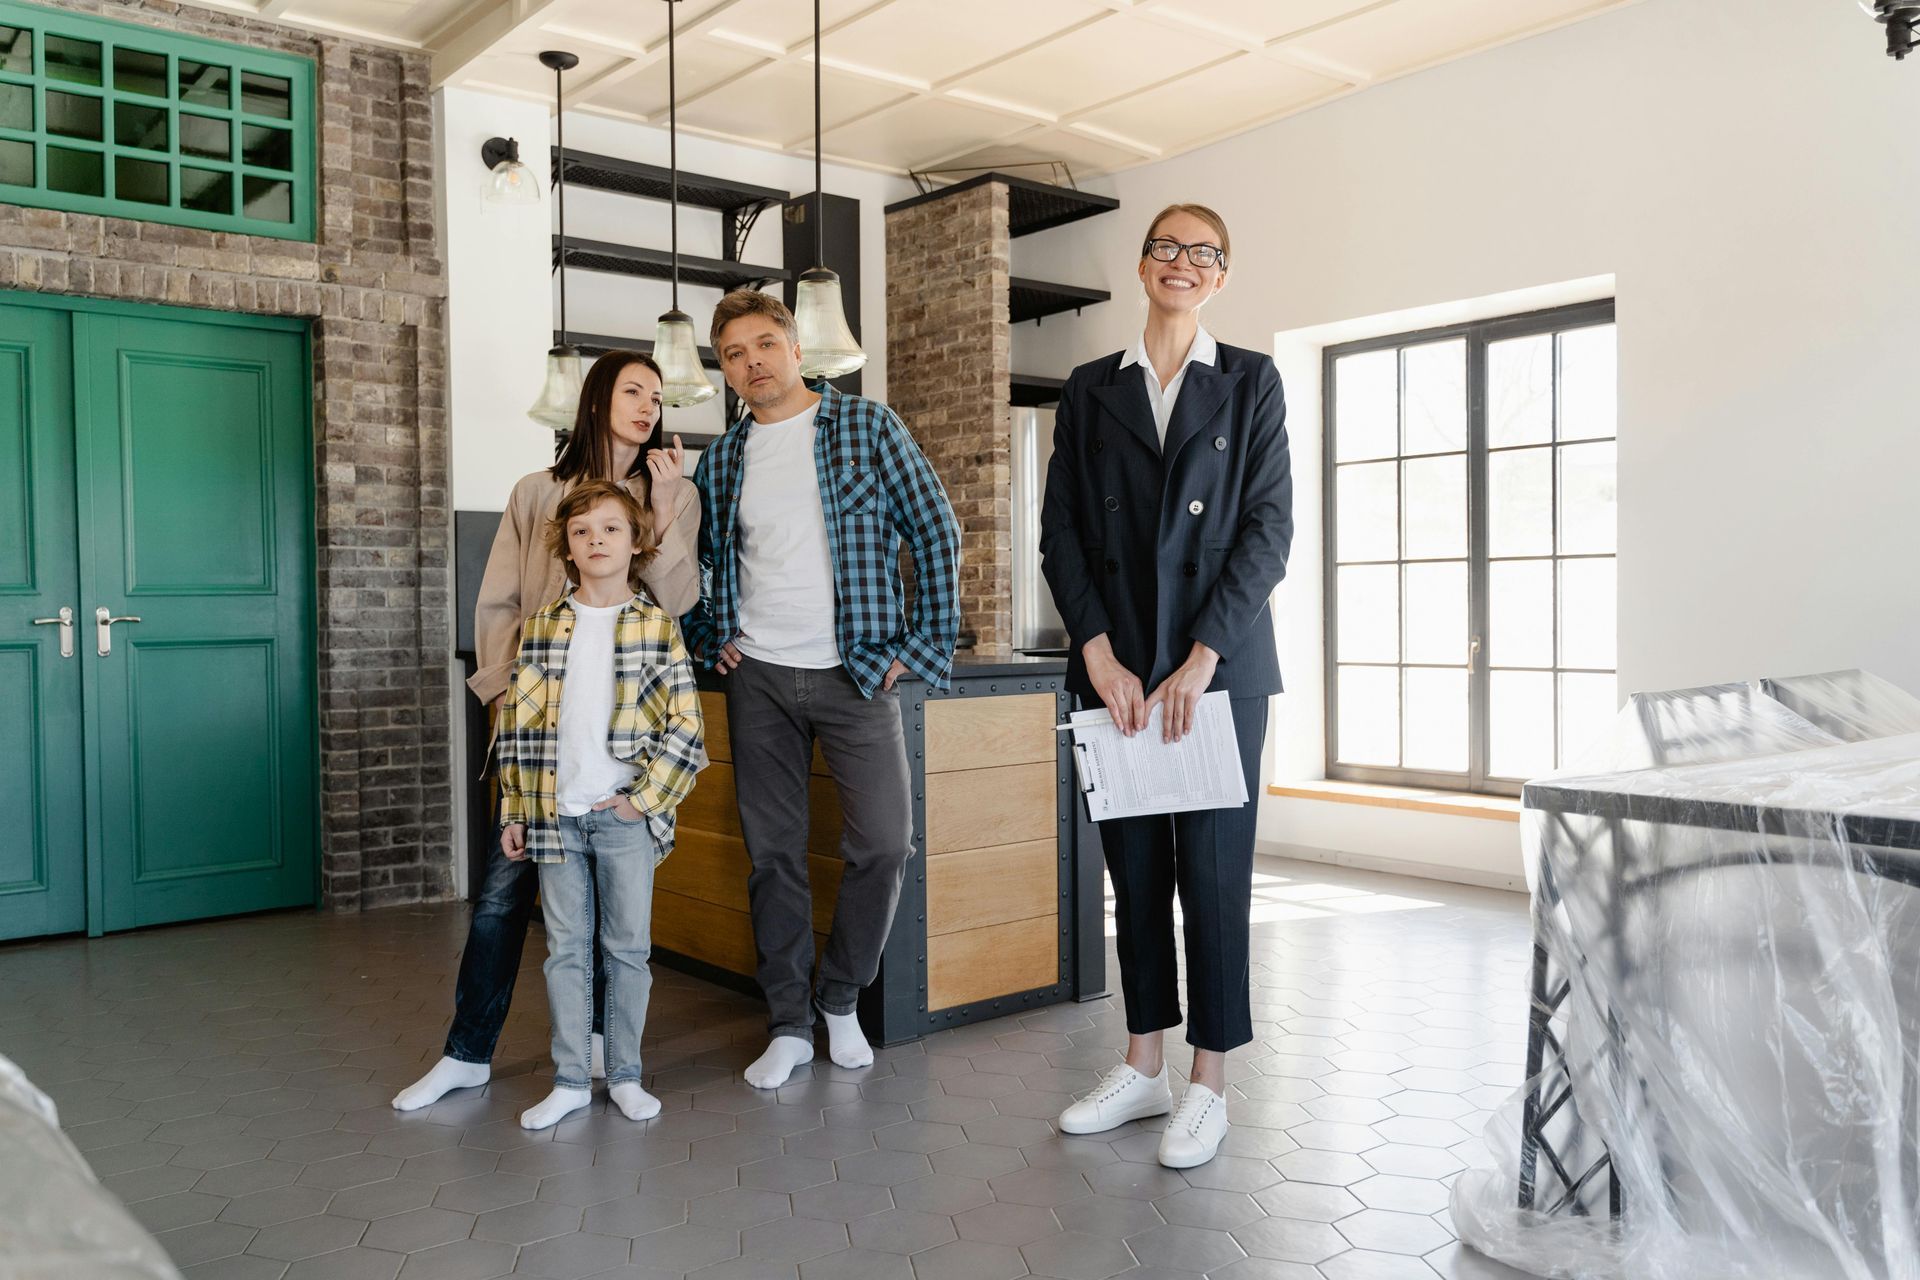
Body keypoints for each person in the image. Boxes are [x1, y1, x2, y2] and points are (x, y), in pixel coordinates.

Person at [1039, 203, 1293, 1168]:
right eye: (1166, 248)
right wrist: (1097, 654)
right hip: (1116, 671)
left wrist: (1204, 656)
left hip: (1217, 670)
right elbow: (1063, 530)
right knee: (1134, 874)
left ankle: (1209, 1084)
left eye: (1203, 253)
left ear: (1221, 275)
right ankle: (1143, 1066)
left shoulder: (1252, 380)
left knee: (1214, 879)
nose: (1181, 263)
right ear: (1143, 264)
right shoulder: (1090, 387)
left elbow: (1268, 530)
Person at [393, 352, 699, 1112]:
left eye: (657, 396)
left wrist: (663, 509)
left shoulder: (674, 494)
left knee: (608, 915)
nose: (648, 406)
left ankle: (597, 1052)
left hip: (615, 750)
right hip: (535, 740)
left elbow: (673, 604)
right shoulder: (537, 493)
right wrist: (505, 702)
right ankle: (467, 1053)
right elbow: (499, 603)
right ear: (596, 400)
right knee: (503, 899)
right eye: (633, 391)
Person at [682, 291, 960, 1090]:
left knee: (884, 845)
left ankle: (839, 999)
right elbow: (702, 563)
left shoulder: (867, 426)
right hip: (758, 678)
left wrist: (922, 643)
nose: (753, 363)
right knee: (773, 857)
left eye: (765, 344)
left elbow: (935, 528)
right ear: (724, 369)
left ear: (797, 349)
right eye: (734, 354)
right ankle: (787, 1025)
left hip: (856, 672)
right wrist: (707, 633)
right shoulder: (722, 458)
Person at [496, 480, 705, 1129]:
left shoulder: (656, 627)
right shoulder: (542, 628)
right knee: (565, 950)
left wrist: (641, 802)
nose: (596, 540)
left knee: (627, 950)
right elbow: (518, 726)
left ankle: (625, 1076)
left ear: (636, 541)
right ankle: (569, 1081)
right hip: (554, 815)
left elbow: (687, 728)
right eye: (582, 531)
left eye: (611, 528)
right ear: (567, 546)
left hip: (624, 818)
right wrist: (515, 809)